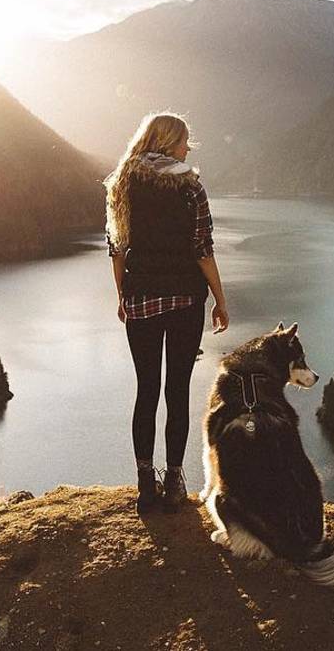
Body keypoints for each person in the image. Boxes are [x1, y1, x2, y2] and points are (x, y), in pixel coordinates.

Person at [105, 112, 229, 513]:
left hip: (142, 299)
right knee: (177, 391)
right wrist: (220, 299)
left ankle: (145, 486)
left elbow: (117, 248)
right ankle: (174, 482)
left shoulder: (123, 181)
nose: (186, 149)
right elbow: (202, 248)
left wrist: (124, 295)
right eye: (183, 142)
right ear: (168, 142)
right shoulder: (189, 184)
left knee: (146, 391)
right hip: (184, 301)